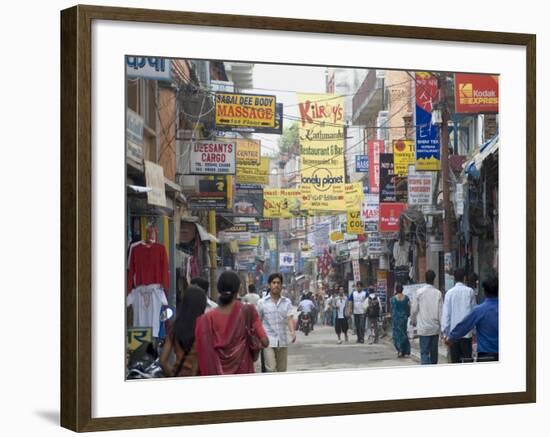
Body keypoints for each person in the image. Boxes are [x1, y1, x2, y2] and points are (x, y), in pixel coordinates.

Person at [195, 271, 268, 375]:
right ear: (238, 289)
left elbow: (202, 353)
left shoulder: (207, 319)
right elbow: (265, 341)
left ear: (219, 289)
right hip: (243, 373)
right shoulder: (248, 311)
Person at [447, 275, 499, 362]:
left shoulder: (480, 310)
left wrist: (451, 337)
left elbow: (465, 326)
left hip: (485, 355)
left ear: (485, 291)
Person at [159, 285, 206, 377]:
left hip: (178, 374)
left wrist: (173, 375)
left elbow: (162, 361)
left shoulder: (175, 327)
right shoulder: (203, 329)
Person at [257, 273, 297, 372]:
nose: (276, 285)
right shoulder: (262, 303)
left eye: (278, 283)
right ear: (269, 285)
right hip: (268, 341)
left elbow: (289, 318)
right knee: (271, 368)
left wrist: (292, 332)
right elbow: (258, 321)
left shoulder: (286, 302)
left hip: (282, 341)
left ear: (281, 285)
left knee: (282, 370)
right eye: (274, 283)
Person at [441, 268, 477, 363]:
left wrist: (445, 333)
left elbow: (446, 315)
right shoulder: (470, 292)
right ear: (465, 278)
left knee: (455, 361)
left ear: (454, 278)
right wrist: (474, 332)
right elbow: (474, 313)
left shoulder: (449, 293)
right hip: (467, 334)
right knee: (467, 360)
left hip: (453, 334)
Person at [411, 270, 443, 365]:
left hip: (423, 328)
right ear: (434, 279)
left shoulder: (419, 292)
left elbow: (414, 310)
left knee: (424, 352)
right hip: (435, 328)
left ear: (425, 278)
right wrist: (442, 328)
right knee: (434, 353)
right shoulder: (438, 293)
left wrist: (413, 321)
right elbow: (441, 312)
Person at [390, 283, 411, 357]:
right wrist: (407, 315)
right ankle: (406, 350)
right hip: (404, 318)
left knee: (397, 335)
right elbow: (409, 308)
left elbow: (392, 309)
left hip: (396, 319)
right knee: (404, 333)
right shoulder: (406, 298)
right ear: (402, 289)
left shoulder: (393, 299)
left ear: (396, 290)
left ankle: (399, 350)